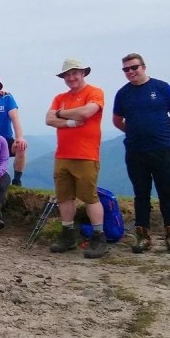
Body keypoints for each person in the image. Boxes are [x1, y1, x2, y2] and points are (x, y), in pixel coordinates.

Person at [112, 53, 170, 254]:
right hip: (135, 151)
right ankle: (142, 236)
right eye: (126, 69)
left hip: (162, 149)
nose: (131, 72)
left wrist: (163, 130)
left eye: (134, 67)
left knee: (166, 192)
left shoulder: (161, 87)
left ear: (143, 66)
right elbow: (117, 120)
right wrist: (133, 132)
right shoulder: (123, 94)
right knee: (141, 194)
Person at [45, 58, 107, 258]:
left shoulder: (94, 92)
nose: (71, 77)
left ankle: (99, 237)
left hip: (86, 154)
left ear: (83, 73)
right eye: (67, 74)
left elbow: (88, 112)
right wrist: (71, 123)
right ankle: (67, 234)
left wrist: (61, 114)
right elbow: (48, 119)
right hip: (62, 154)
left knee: (90, 196)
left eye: (74, 73)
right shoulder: (59, 96)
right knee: (64, 196)